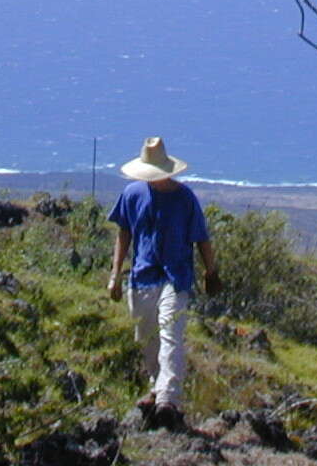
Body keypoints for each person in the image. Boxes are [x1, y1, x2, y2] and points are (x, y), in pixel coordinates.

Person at [107, 136, 219, 427]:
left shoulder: (185, 198)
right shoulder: (132, 194)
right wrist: (115, 275)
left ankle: (168, 398)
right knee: (147, 338)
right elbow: (124, 234)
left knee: (171, 332)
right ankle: (156, 387)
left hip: (176, 276)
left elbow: (201, 237)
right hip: (142, 276)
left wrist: (211, 271)